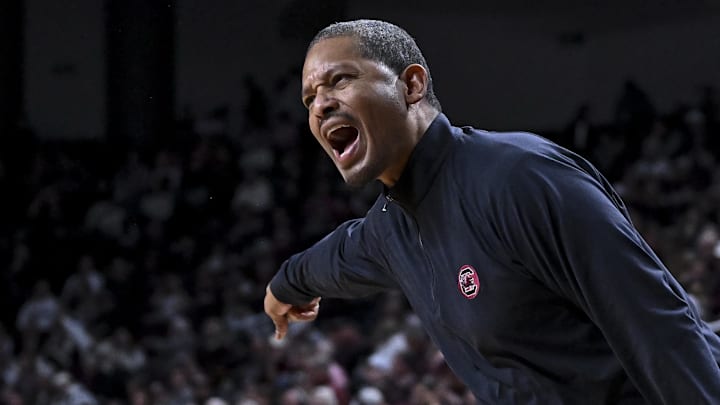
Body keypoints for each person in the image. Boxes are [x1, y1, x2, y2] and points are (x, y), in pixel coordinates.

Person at [263, 19, 720, 404]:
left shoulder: (521, 178)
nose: (321, 104)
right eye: (309, 98)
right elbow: (334, 259)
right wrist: (285, 286)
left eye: (340, 79)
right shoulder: (390, 229)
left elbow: (662, 329)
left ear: (411, 85)